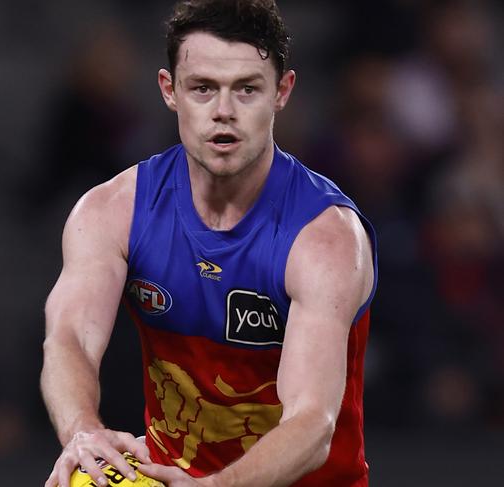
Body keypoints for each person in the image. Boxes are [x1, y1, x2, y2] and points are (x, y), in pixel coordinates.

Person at [41, 1, 377, 486]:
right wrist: (81, 430)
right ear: (169, 90)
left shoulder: (325, 239)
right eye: (203, 88)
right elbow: (68, 338)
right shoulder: (111, 212)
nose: (223, 112)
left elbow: (312, 424)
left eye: (246, 89)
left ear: (282, 92)